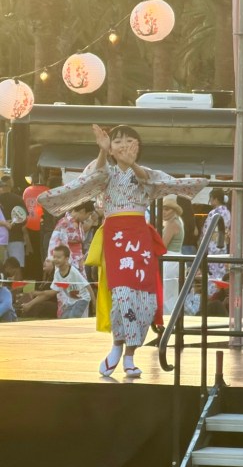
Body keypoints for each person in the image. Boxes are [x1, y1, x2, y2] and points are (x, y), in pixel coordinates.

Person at [37, 124, 206, 378]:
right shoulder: (106, 172)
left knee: (146, 299)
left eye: (129, 141)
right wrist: (102, 153)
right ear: (110, 148)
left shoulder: (145, 172)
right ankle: (117, 346)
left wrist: (132, 164)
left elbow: (155, 181)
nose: (124, 145)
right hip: (116, 238)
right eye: (117, 141)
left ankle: (130, 354)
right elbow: (93, 178)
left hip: (139, 238)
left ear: (138, 147)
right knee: (122, 295)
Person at [47, 200, 94, 274]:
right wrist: (50, 260)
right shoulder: (64, 222)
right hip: (67, 261)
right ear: (82, 211)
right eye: (89, 214)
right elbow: (54, 242)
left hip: (78, 260)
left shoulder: (79, 223)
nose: (89, 217)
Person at [201, 188, 231, 295]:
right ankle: (220, 291)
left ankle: (212, 293)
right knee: (221, 269)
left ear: (216, 199)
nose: (210, 201)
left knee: (213, 271)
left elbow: (206, 230)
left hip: (213, 243)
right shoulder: (227, 212)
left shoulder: (213, 213)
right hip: (223, 242)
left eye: (211, 198)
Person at [50, 245, 92, 319]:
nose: (55, 259)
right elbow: (54, 291)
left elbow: (87, 285)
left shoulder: (73, 271)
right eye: (54, 257)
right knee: (64, 319)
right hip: (71, 301)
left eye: (58, 257)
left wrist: (94, 304)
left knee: (72, 317)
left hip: (82, 298)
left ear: (66, 259)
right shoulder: (57, 273)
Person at [0, 174, 29, 266]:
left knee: (2, 268)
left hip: (1, 239)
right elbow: (24, 219)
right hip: (16, 237)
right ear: (11, 185)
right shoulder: (18, 199)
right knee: (17, 267)